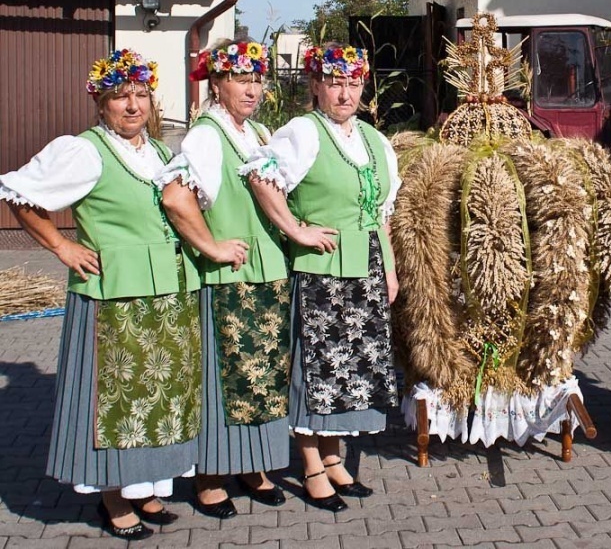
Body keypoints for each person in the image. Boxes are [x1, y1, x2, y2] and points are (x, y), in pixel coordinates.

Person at [0, 49, 201, 539]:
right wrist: (62, 246)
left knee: (155, 398)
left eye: (140, 95)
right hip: (114, 295)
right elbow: (18, 195)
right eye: (120, 97)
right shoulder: (86, 150)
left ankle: (145, 488)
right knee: (114, 402)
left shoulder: (155, 151)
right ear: (101, 104)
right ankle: (113, 499)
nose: (132, 106)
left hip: (165, 292)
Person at [243, 43, 400, 512]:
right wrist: (295, 228)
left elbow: (381, 214)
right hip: (323, 273)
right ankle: (311, 465)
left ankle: (334, 461)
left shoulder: (373, 139)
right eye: (335, 83)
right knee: (317, 371)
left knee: (348, 372)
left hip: (366, 269)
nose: (345, 92)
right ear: (315, 86)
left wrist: (389, 268)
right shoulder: (302, 132)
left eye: (353, 83)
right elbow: (259, 175)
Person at [156, 39, 290, 518]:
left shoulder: (255, 133)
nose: (252, 88)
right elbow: (175, 197)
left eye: (257, 79)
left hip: (264, 272)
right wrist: (211, 245)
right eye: (240, 79)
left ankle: (252, 466)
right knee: (225, 377)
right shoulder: (208, 135)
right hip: (228, 276)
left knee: (261, 379)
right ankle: (211, 475)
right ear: (217, 84)